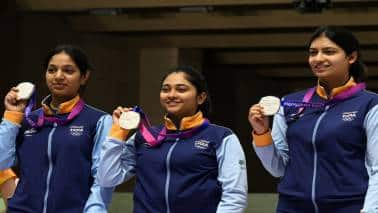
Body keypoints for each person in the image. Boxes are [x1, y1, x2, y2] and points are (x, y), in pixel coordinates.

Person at [248, 26, 378, 213]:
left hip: (348, 207)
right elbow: (277, 168)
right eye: (313, 53)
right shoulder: (290, 103)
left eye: (329, 52)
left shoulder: (370, 104)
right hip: (292, 207)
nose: (318, 59)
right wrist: (261, 133)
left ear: (351, 57)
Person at [98, 66, 248, 212]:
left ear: (201, 98)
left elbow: (234, 195)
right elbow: (107, 178)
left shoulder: (220, 137)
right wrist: (117, 132)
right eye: (165, 89)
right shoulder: (144, 136)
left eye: (181, 89)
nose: (171, 95)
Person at [0, 45, 113, 212]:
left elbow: (102, 179)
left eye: (68, 71)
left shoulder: (98, 121)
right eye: (52, 70)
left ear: (84, 76)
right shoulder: (27, 120)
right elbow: (2, 162)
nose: (58, 76)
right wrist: (11, 115)